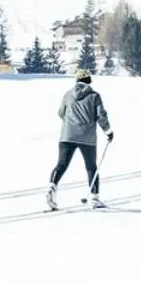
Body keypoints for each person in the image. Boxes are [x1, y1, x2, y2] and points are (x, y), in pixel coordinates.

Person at [48, 70, 114, 211]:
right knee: (91, 167)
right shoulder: (94, 96)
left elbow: (61, 112)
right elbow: (101, 115)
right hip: (87, 137)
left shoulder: (68, 94)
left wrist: (71, 122)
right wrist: (108, 131)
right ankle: (95, 198)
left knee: (61, 164)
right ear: (89, 80)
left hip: (67, 136)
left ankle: (52, 186)